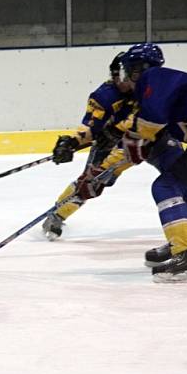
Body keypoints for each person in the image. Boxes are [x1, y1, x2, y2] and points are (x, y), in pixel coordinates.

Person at [110, 43, 187, 282]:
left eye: (127, 71)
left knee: (167, 186)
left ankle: (185, 253)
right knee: (184, 188)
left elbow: (152, 117)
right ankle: (183, 240)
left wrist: (137, 138)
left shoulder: (154, 77)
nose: (125, 79)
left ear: (138, 70)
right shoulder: (167, 87)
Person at [43, 51, 138, 240]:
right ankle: (57, 214)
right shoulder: (105, 96)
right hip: (118, 143)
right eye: (122, 75)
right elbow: (90, 128)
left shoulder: (149, 88)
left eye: (130, 75)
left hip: (149, 137)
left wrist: (119, 129)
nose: (126, 80)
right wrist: (72, 142)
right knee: (93, 181)